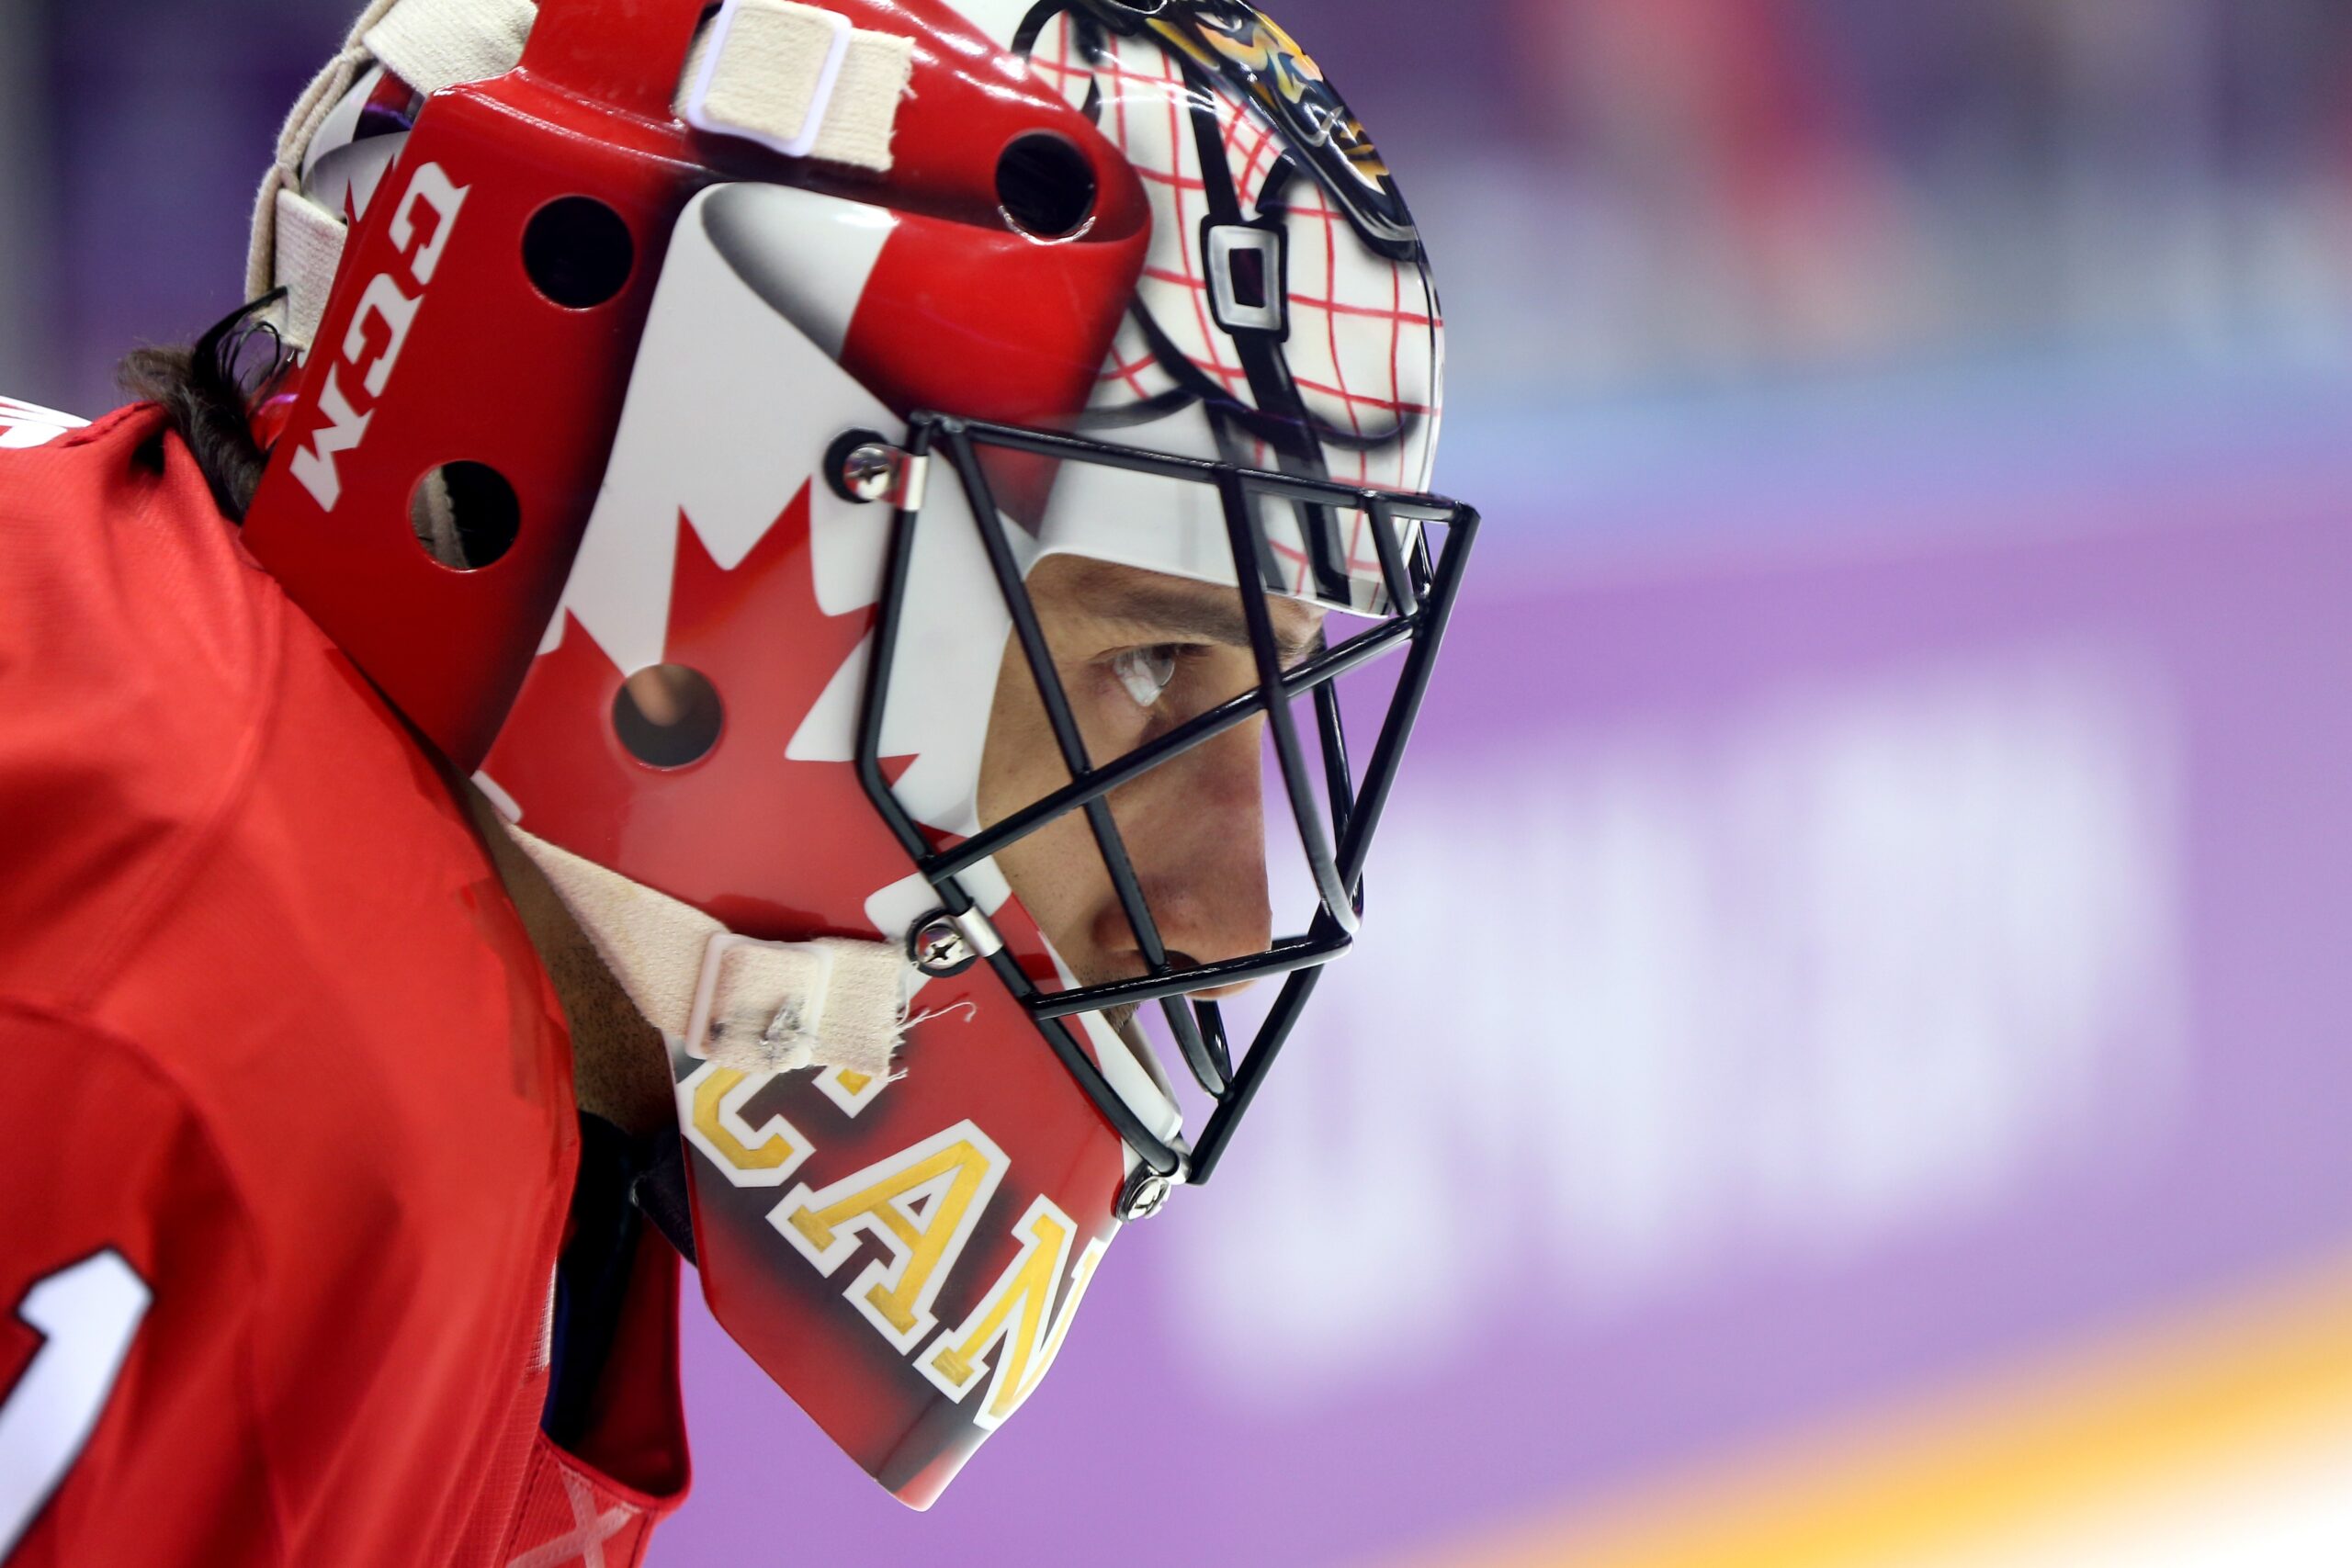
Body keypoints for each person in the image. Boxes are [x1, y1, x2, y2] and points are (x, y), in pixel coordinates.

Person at [0, 0, 1476, 1562]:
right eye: (1152, 666)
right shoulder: (227, 1040)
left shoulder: (449, 1028)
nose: (1223, 907)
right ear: (729, 498)